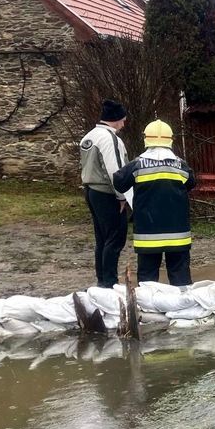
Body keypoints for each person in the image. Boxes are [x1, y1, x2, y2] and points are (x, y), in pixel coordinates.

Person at [112, 120, 196, 286]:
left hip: (148, 235)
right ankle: (184, 308)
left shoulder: (137, 165)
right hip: (178, 235)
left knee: (148, 280)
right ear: (170, 139)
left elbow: (119, 181)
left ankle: (148, 310)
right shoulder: (181, 165)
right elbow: (192, 183)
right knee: (181, 279)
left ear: (146, 139)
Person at [79, 99, 130, 288]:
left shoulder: (89, 137)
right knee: (115, 237)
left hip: (91, 191)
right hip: (107, 193)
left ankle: (102, 279)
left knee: (102, 238)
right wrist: (121, 196)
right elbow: (114, 170)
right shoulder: (110, 139)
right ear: (115, 119)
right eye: (122, 120)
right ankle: (109, 282)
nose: (123, 124)